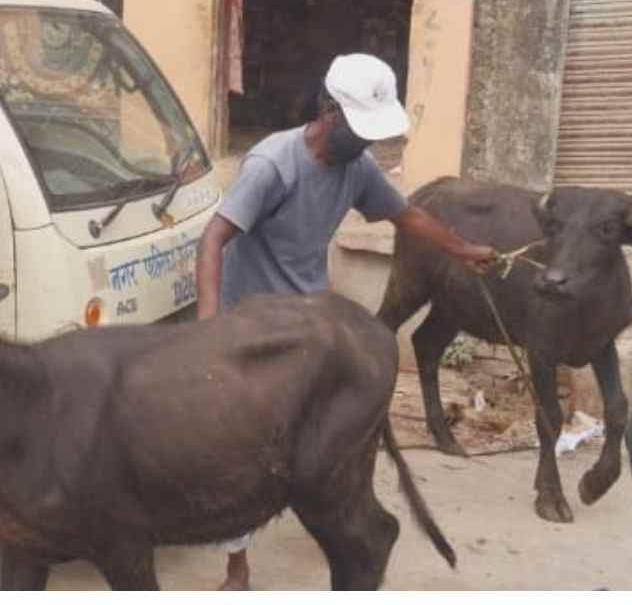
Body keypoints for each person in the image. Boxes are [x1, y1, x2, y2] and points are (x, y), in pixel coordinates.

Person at [196, 52, 497, 590]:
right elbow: (213, 240)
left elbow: (407, 215)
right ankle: (236, 564)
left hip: (313, 318)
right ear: (328, 111)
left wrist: (463, 247)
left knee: (328, 432)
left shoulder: (357, 166)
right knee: (241, 448)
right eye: (359, 132)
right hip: (256, 326)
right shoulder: (272, 164)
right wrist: (208, 331)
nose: (367, 145)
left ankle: (332, 518)